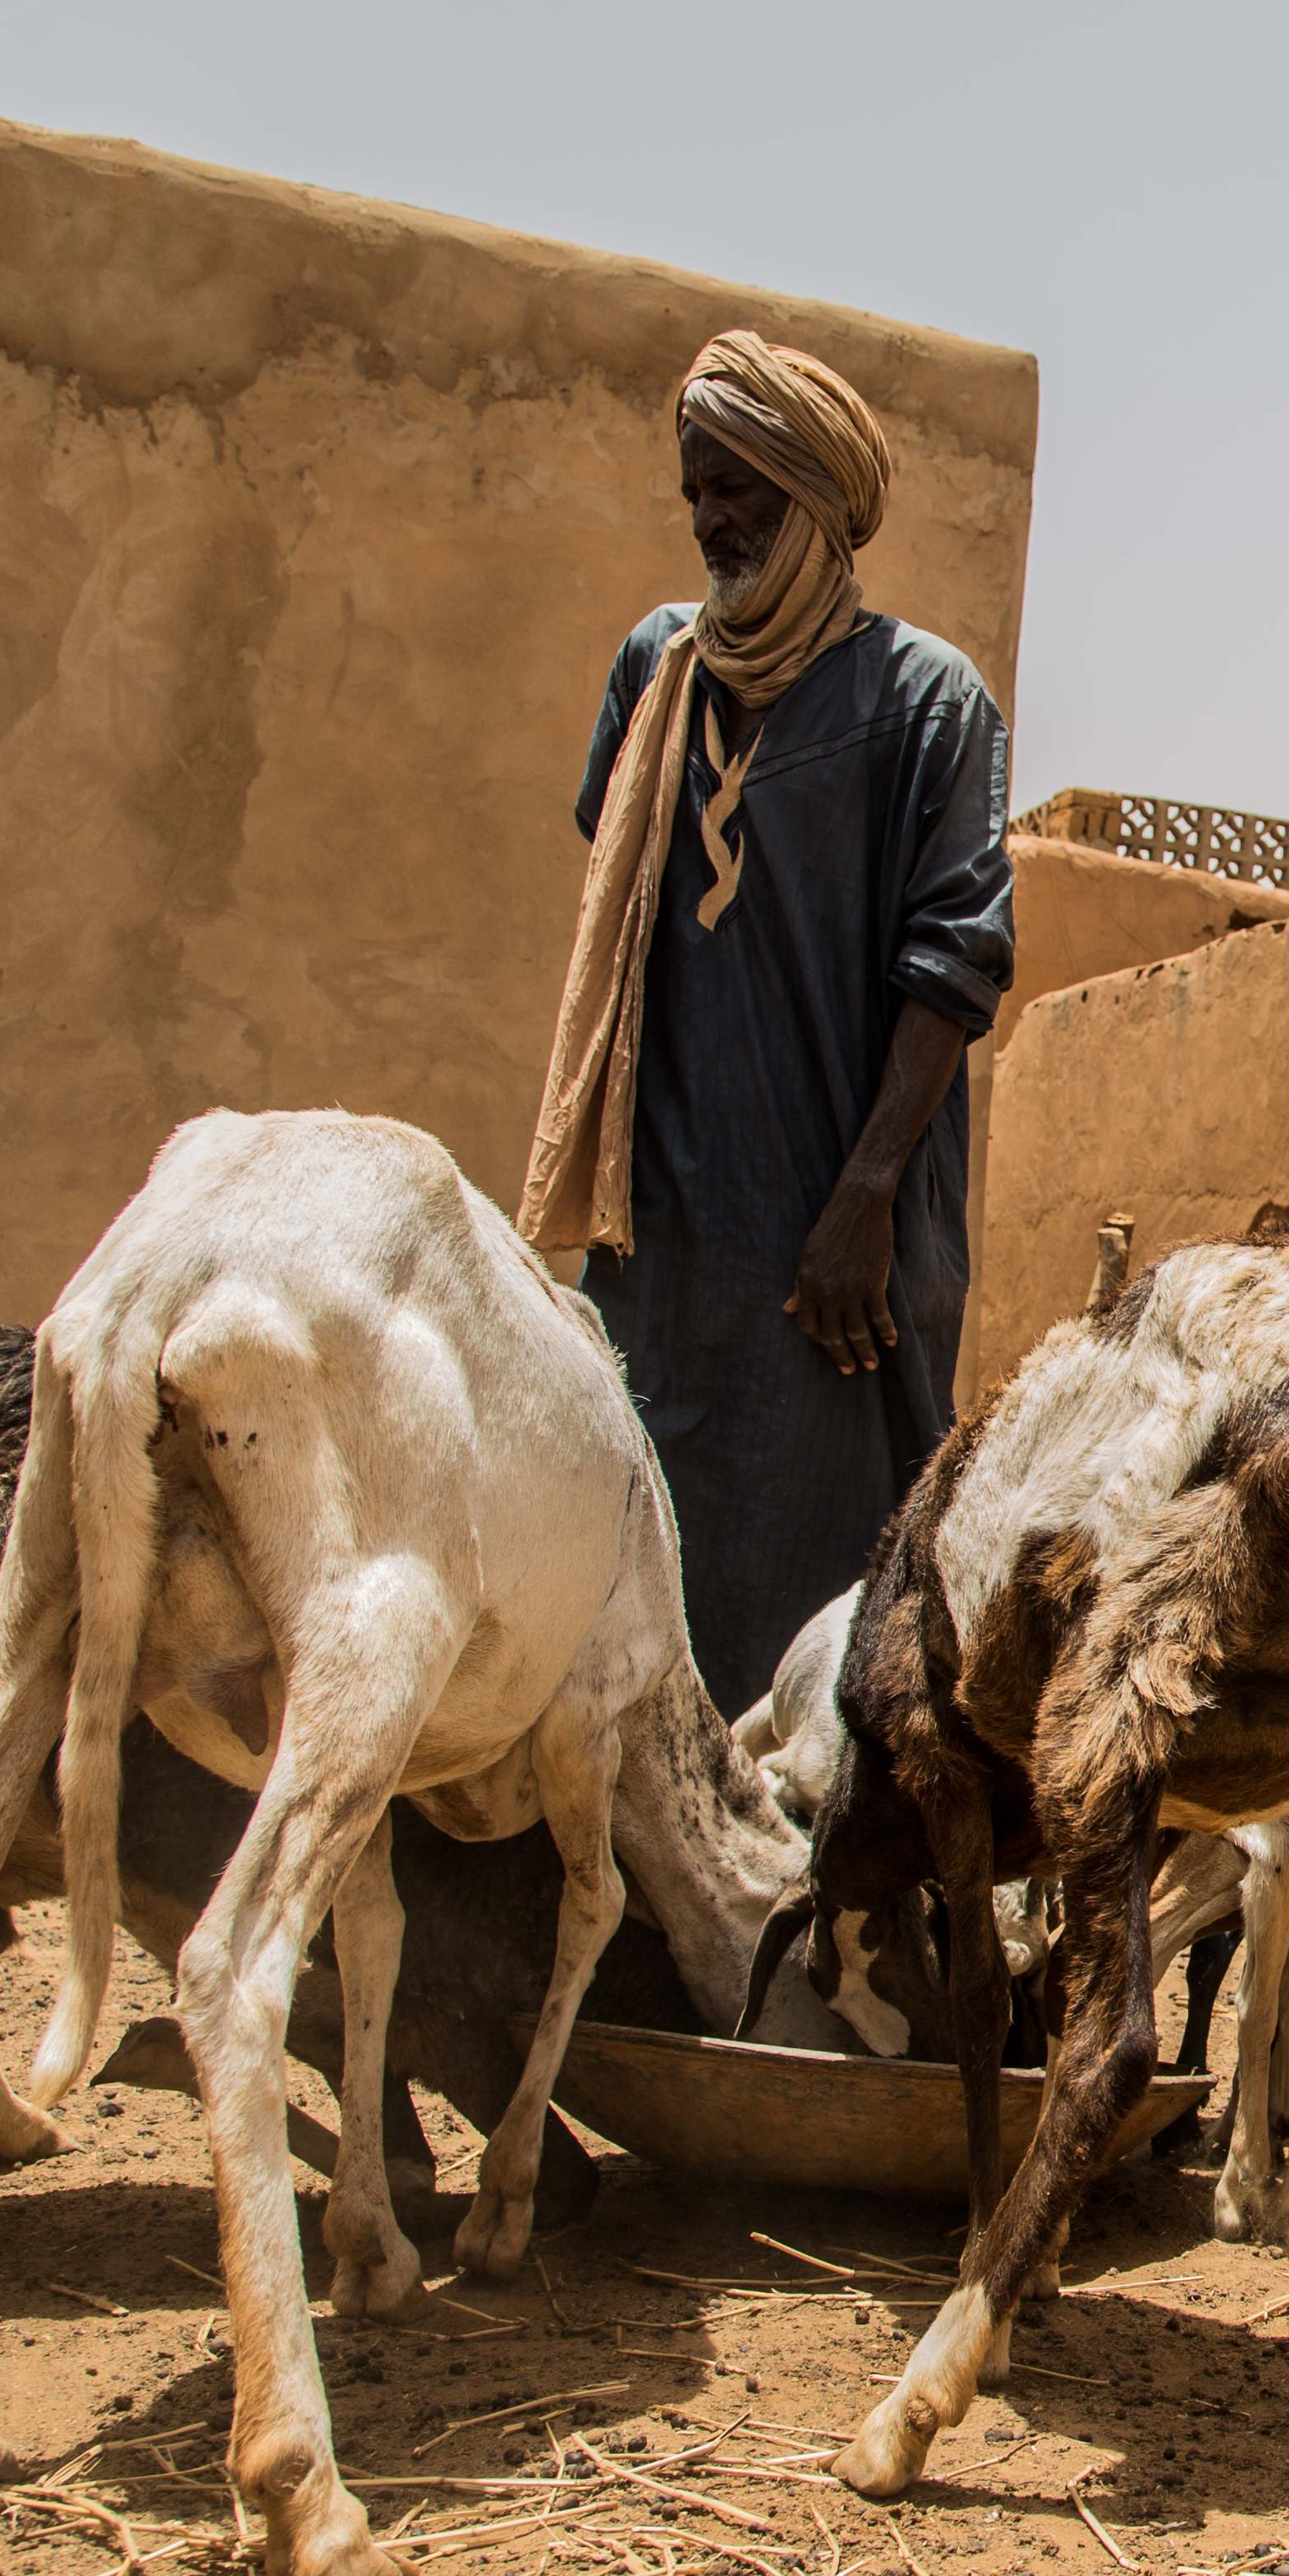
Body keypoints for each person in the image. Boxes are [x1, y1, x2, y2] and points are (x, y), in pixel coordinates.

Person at [520, 331, 1013, 1712]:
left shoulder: (927, 702)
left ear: (811, 491)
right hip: (672, 1231)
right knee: (633, 1572)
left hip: (838, 1247)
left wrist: (862, 1204)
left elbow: (955, 969)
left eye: (740, 487)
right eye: (696, 491)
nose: (713, 520)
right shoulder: (655, 672)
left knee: (839, 1592)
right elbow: (621, 906)